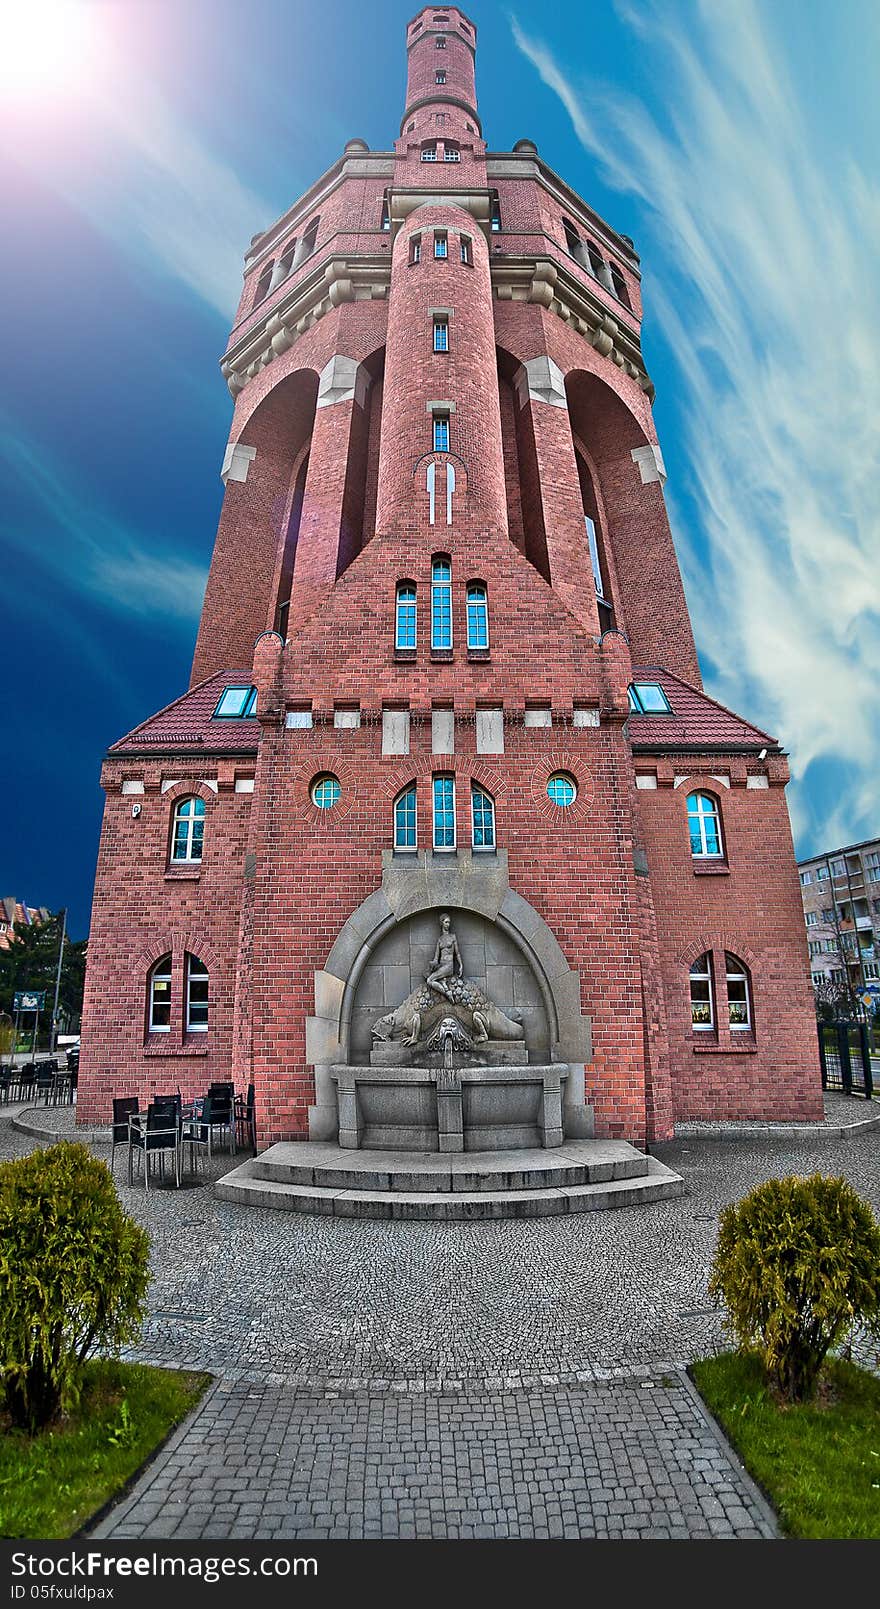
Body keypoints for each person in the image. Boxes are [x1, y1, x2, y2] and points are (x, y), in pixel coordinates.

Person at [426, 912, 463, 1001]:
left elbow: (457, 953)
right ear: (442, 923)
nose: (448, 924)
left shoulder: (452, 937)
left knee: (429, 980)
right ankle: (444, 986)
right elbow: (436, 958)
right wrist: (432, 964)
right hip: (441, 966)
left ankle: (446, 992)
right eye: (446, 922)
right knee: (429, 978)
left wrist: (461, 965)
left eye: (449, 922)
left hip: (449, 966)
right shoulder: (440, 940)